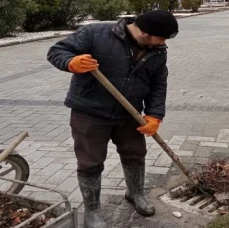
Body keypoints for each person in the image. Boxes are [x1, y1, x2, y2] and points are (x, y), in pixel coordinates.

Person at [47, 10, 179, 228]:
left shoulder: (157, 50)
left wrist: (155, 115)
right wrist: (71, 62)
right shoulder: (95, 33)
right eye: (161, 38)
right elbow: (57, 51)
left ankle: (136, 194)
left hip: (130, 114)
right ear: (145, 32)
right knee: (90, 162)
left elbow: (158, 83)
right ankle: (93, 209)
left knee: (135, 154)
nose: (163, 43)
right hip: (90, 112)